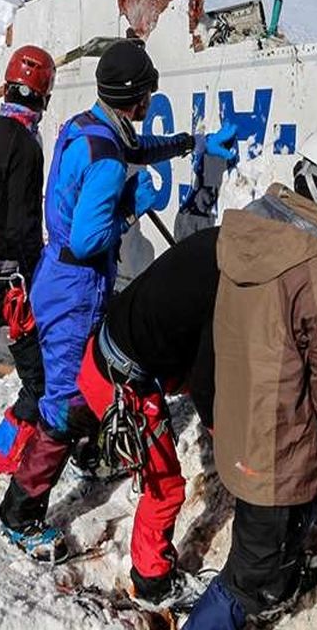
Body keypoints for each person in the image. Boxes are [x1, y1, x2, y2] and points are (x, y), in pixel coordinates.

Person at [0, 39, 237, 560]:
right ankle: (20, 512)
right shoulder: (108, 161)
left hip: (57, 277)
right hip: (75, 288)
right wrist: (129, 208)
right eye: (149, 92)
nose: (152, 99)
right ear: (139, 97)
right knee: (63, 404)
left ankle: (86, 451)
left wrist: (190, 145)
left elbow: (130, 149)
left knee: (85, 386)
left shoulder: (88, 126)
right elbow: (88, 238)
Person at [185, 123, 317, 629]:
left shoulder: (247, 232)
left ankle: (273, 589)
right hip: (281, 452)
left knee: (262, 556)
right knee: (243, 582)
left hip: (243, 429)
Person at [77, 225, 221, 610]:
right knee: (167, 487)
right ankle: (153, 579)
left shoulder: (211, 243)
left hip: (101, 355)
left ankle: (95, 453)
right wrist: (223, 434)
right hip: (125, 389)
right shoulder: (226, 289)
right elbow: (207, 386)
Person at [0, 45, 56, 477]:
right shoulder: (26, 145)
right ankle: (0, 461)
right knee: (40, 384)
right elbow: (22, 225)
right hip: (7, 284)